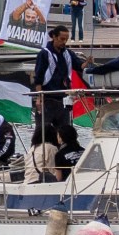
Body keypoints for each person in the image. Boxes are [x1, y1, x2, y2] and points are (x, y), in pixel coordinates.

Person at [32, 26, 87, 170]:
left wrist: (87, 62)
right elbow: (38, 77)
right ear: (54, 37)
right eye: (62, 39)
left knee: (65, 132)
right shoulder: (45, 54)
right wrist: (39, 97)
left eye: (66, 40)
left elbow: (79, 66)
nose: (64, 42)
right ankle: (39, 162)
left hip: (63, 98)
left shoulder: (67, 53)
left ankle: (62, 162)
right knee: (43, 132)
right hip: (47, 98)